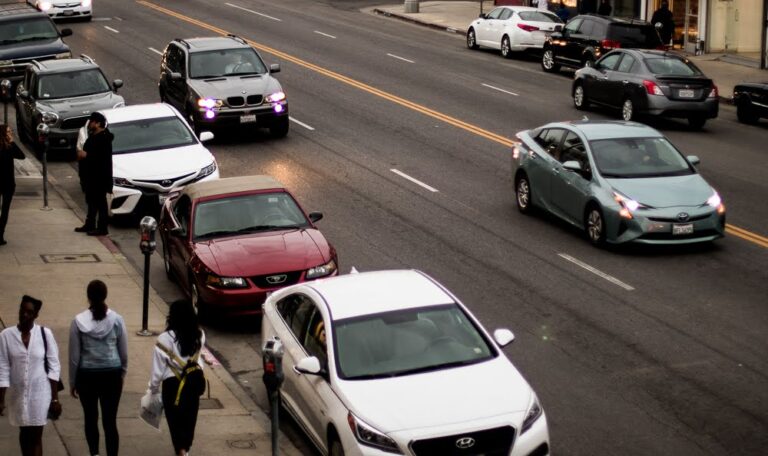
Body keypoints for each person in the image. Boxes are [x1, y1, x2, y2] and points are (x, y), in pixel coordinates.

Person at [69, 280, 128, 456]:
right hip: (112, 374)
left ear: (88, 297)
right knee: (110, 421)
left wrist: (73, 381)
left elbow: (74, 357)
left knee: (90, 418)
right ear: (105, 295)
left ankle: (94, 453)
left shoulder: (78, 321)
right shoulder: (117, 320)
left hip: (87, 376)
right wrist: (122, 373)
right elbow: (123, 353)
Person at [0, 295, 62, 456]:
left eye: (29, 312)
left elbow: (54, 366)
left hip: (40, 395)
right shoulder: (6, 336)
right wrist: (1, 399)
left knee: (35, 436)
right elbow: (3, 368)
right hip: (18, 395)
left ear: (36, 315)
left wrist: (55, 399)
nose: (24, 315)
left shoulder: (44, 334)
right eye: (22, 310)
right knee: (24, 432)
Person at [149, 299, 206, 456]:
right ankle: (185, 449)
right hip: (193, 383)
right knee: (189, 420)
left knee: (175, 423)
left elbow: (157, 369)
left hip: (172, 385)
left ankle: (181, 451)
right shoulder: (200, 335)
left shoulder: (164, 338)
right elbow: (200, 360)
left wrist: (153, 389)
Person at [75, 112, 113, 236]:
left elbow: (102, 159)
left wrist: (86, 155)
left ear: (97, 123)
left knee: (100, 203)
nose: (89, 124)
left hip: (99, 178)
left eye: (91, 122)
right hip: (90, 177)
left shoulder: (104, 138)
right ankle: (90, 223)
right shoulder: (93, 136)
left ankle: (102, 228)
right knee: (91, 201)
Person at [0, 123, 25, 246]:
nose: (11, 134)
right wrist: (12, 143)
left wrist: (12, 142)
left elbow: (22, 156)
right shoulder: (8, 148)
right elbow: (21, 156)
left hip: (8, 184)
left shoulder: (9, 147)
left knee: (4, 210)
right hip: (5, 184)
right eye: (9, 132)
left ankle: (0, 235)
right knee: (4, 211)